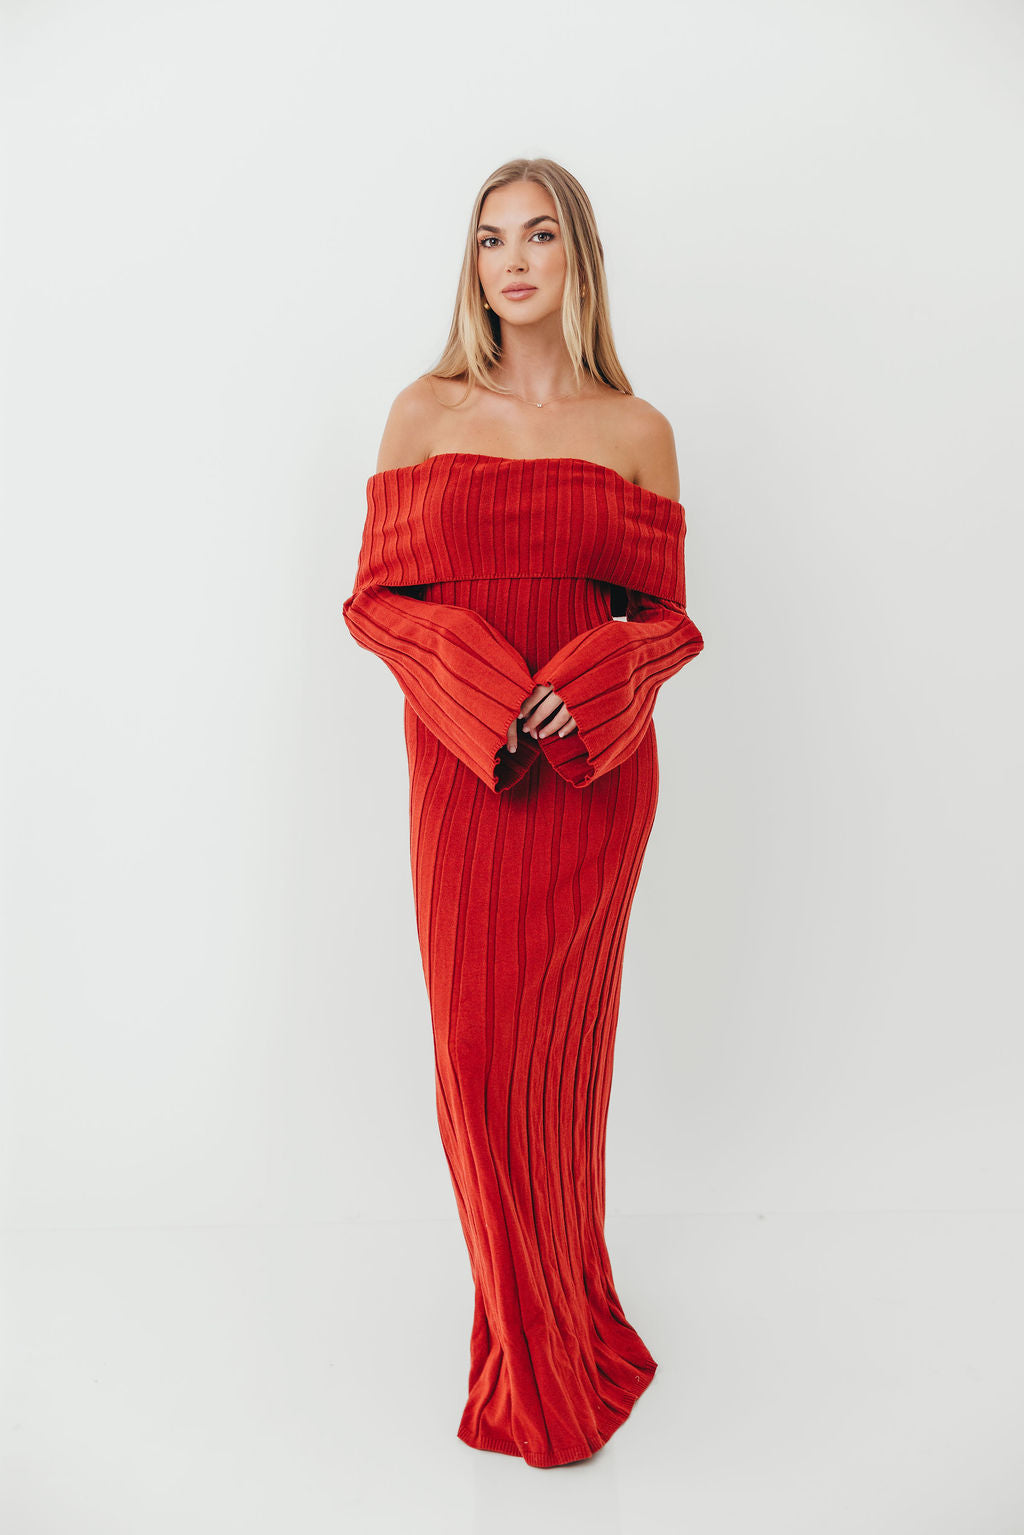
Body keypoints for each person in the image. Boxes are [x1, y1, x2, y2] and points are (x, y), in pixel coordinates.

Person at [342, 156, 706, 1469]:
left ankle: (559, 1331)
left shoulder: (636, 428)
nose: (513, 261)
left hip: (592, 788)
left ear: (577, 258)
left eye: (539, 235)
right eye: (492, 238)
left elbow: (668, 624)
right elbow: (376, 602)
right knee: (481, 1075)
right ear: (473, 264)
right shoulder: (425, 412)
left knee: (562, 1077)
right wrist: (479, 677)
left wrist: (597, 674)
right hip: (464, 777)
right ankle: (534, 1347)